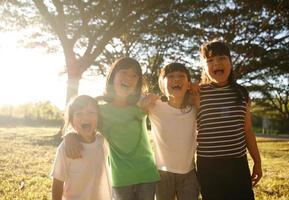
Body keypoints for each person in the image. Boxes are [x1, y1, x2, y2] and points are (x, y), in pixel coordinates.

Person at [64, 57, 160, 200]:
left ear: (137, 84)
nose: (129, 77)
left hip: (147, 174)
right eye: (124, 72)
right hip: (120, 178)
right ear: (112, 76)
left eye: (135, 75)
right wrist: (70, 135)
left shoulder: (140, 105)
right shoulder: (100, 111)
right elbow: (83, 123)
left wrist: (152, 97)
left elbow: (166, 104)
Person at [196, 40, 262, 200]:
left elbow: (247, 130)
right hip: (208, 165)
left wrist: (257, 162)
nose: (216, 63)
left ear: (231, 63)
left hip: (238, 164)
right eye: (210, 60)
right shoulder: (197, 93)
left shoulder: (242, 93)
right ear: (204, 67)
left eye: (221, 58)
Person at [139, 63, 199, 200]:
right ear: (161, 85)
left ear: (188, 84)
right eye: (170, 76)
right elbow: (130, 101)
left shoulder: (194, 107)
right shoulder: (155, 106)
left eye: (181, 76)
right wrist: (144, 101)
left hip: (188, 173)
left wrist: (197, 89)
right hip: (162, 173)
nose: (176, 79)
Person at [51, 95, 111, 200]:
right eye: (79, 113)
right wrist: (69, 135)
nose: (86, 117)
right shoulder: (66, 148)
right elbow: (57, 183)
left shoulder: (103, 141)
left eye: (91, 112)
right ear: (71, 120)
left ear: (98, 117)